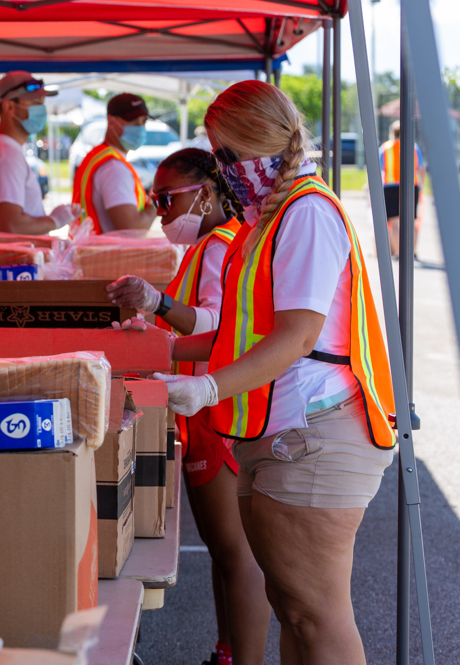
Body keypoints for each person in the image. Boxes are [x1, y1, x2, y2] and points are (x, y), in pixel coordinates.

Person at [154, 80, 395, 665]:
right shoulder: (268, 218)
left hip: (317, 432)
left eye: (227, 156)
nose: (224, 171)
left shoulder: (306, 212)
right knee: (293, 608)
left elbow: (298, 336)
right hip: (281, 431)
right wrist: (155, 358)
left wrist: (208, 386)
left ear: (262, 143)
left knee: (315, 615)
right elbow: (240, 334)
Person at [107, 148, 270, 665]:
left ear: (205, 191)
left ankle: (238, 658)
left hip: (217, 409)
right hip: (199, 408)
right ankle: (226, 652)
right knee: (223, 551)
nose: (158, 211)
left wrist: (159, 313)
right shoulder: (206, 247)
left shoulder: (222, 246)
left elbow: (222, 331)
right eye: (154, 200)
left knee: (235, 551)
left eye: (166, 199)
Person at [0, 71, 78, 236]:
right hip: (7, 261)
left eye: (42, 102)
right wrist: (54, 221)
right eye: (35, 102)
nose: (42, 109)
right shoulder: (5, 155)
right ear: (9, 107)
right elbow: (11, 226)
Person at [72, 94, 157, 233]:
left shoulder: (98, 155)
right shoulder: (114, 168)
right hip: (105, 253)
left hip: (91, 249)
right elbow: (132, 229)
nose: (140, 128)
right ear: (111, 121)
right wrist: (155, 203)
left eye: (143, 121)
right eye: (133, 121)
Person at [379, 120, 426, 258]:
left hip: (390, 187)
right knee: (411, 221)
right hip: (410, 187)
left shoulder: (385, 147)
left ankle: (400, 253)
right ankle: (412, 252)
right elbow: (421, 169)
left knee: (394, 223)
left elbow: (379, 169)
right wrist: (421, 184)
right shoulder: (414, 147)